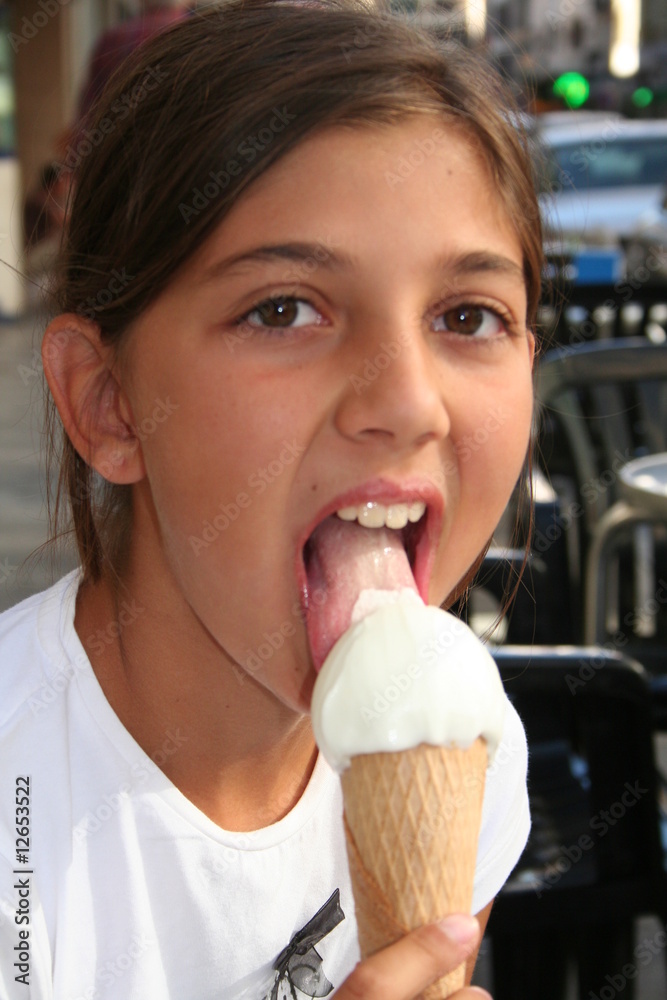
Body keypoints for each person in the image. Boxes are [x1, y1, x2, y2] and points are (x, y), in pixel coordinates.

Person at [0, 2, 541, 997]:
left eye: (468, 315)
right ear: (108, 401)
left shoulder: (470, 740)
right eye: (283, 309)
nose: (407, 402)